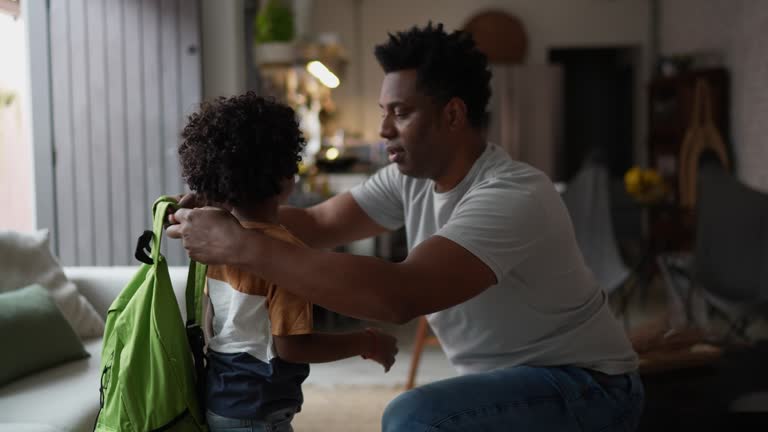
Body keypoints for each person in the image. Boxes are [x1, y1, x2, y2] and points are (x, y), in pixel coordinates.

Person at [169, 23, 644, 431]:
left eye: (400, 113)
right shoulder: (409, 179)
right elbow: (315, 223)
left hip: (589, 386)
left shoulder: (513, 195)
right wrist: (230, 207)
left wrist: (244, 246)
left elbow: (400, 296)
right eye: (384, 113)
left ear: (453, 114)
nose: (383, 130)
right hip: (508, 380)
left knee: (415, 417)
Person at [176, 93, 398, 432]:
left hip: (221, 398)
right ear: (286, 178)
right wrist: (367, 341)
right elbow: (293, 347)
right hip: (259, 410)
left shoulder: (215, 241)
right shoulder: (282, 256)